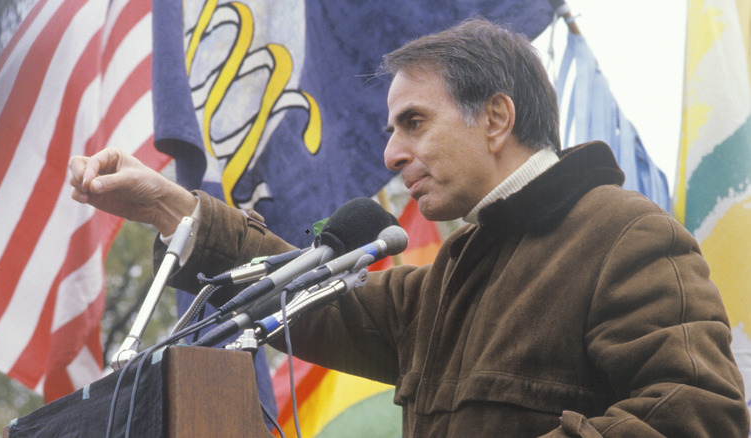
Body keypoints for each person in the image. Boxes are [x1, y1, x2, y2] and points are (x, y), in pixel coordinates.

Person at [69, 18, 749, 437]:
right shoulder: (451, 277)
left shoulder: (623, 234)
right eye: (391, 129)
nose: (392, 154)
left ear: (496, 118)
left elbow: (701, 414)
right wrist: (166, 205)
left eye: (414, 122)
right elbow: (310, 298)